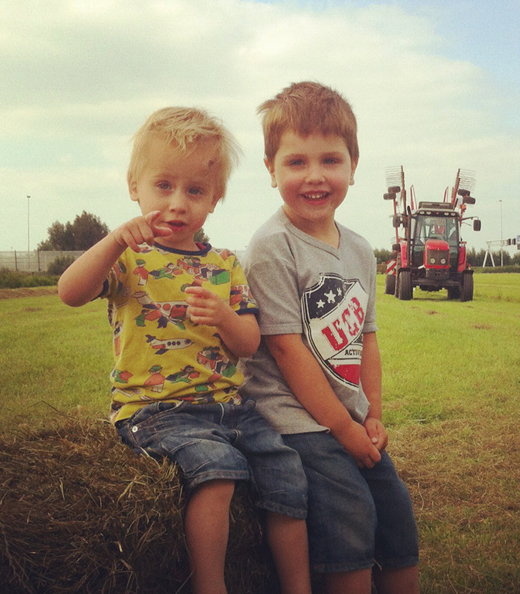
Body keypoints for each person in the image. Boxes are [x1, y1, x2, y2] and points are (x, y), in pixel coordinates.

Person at [58, 107, 311, 594]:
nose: (178, 203)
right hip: (156, 410)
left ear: (215, 199)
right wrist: (111, 241)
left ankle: (298, 587)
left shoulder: (225, 265)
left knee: (288, 471)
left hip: (231, 408)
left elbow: (250, 343)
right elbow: (70, 291)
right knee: (216, 471)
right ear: (135, 185)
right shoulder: (130, 259)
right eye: (164, 186)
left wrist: (224, 319)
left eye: (195, 191)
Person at [240, 82, 420, 594]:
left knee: (396, 511)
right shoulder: (272, 247)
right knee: (350, 513)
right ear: (272, 170)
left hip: (347, 417)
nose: (315, 176)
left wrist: (373, 414)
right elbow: (287, 351)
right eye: (296, 163)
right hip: (293, 418)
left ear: (353, 167)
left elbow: (368, 338)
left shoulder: (361, 250)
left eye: (330, 160)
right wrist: (343, 430)